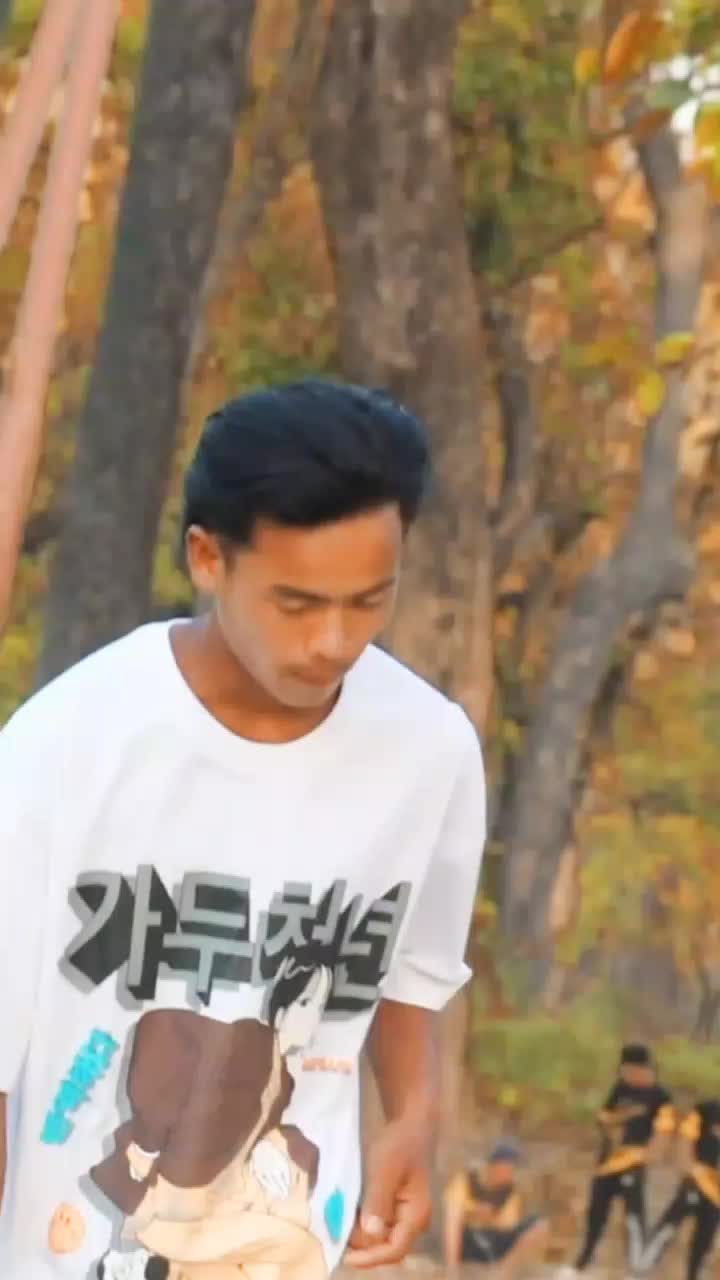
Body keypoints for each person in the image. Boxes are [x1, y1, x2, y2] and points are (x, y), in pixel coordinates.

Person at [0, 379, 486, 1280]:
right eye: (296, 604)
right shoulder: (66, 745)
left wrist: (412, 1119)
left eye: (369, 601)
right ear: (208, 558)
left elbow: (411, 971)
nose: (334, 640)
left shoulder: (430, 750)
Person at [559, 1043, 675, 1277]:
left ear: (642, 1069)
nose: (625, 1075)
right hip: (609, 1161)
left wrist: (650, 1155)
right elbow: (604, 1117)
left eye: (628, 1071)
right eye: (623, 1071)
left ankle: (634, 1269)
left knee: (634, 1218)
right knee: (596, 1213)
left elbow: (664, 1130)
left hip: (634, 1161)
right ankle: (581, 1263)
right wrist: (625, 1116)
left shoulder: (661, 1096)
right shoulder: (620, 1088)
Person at [637, 1098, 720, 1280]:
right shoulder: (707, 1109)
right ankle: (640, 1271)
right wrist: (688, 1167)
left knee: (704, 1241)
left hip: (716, 1194)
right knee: (667, 1228)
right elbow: (685, 1139)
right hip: (698, 1181)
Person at [443, 1140, 548, 1279]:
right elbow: (452, 1221)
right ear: (495, 1165)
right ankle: (453, 1267)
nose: (510, 1173)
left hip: (492, 1243)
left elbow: (507, 1226)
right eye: (508, 1167)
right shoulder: (466, 1181)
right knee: (457, 1225)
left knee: (539, 1224)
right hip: (468, 1240)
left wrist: (491, 1218)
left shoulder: (511, 1192)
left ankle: (502, 1273)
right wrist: (473, 1213)